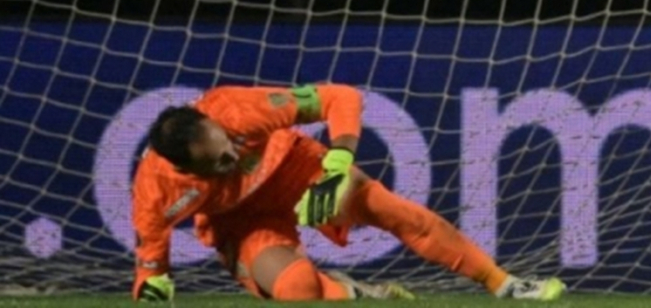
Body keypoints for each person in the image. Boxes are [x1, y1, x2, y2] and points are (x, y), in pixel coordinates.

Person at [131, 84, 565, 301]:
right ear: (184, 169)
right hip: (241, 221)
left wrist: (338, 162)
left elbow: (340, 97)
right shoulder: (156, 191)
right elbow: (150, 275)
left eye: (228, 143)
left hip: (293, 169)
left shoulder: (236, 110)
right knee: (298, 287)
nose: (233, 155)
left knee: (387, 208)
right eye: (219, 161)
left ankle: (505, 284)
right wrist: (153, 289)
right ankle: (357, 293)